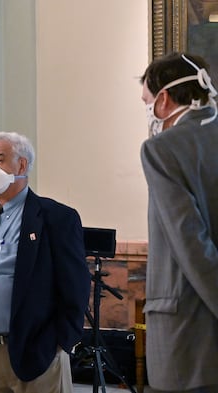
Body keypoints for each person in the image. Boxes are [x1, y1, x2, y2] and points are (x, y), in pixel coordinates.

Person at [0, 132, 91, 393]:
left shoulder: (55, 218)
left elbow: (76, 286)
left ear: (22, 165)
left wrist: (62, 341)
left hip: (35, 350)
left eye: (0, 160)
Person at [140, 52, 218, 393]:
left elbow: (190, 242)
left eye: (147, 101)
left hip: (187, 334)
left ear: (164, 99)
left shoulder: (161, 149)